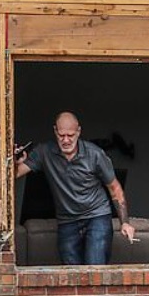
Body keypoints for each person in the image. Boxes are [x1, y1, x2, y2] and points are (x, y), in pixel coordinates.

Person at [15, 111, 136, 265]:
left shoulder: (95, 154)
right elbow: (15, 174)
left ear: (78, 132)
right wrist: (13, 160)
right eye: (61, 135)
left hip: (97, 216)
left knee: (95, 269)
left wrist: (124, 222)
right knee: (71, 274)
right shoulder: (44, 152)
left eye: (70, 135)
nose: (66, 140)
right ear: (55, 131)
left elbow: (115, 188)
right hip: (67, 221)